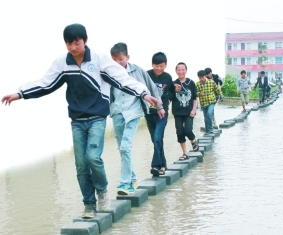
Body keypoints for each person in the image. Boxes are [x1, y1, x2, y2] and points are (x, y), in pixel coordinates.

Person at [1, 24, 161, 219]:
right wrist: (20, 93)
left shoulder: (99, 59)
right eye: (69, 44)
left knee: (93, 157)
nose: (73, 48)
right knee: (80, 164)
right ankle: (88, 204)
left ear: (84, 40)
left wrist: (144, 94)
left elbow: (122, 79)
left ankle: (102, 191)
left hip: (97, 117)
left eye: (76, 43)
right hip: (77, 119)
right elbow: (46, 83)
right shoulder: (62, 62)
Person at [109, 43, 164, 194]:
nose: (117, 63)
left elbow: (151, 87)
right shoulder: (109, 72)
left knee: (125, 146)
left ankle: (125, 184)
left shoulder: (137, 70)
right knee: (122, 148)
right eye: (114, 59)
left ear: (127, 57)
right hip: (117, 111)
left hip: (133, 110)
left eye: (120, 59)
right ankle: (133, 179)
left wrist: (160, 107)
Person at [146, 52, 175, 176]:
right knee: (156, 140)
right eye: (156, 66)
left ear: (165, 65)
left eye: (161, 66)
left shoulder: (168, 78)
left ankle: (155, 166)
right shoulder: (147, 75)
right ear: (152, 65)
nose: (159, 68)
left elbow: (172, 92)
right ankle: (163, 164)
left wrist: (167, 101)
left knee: (158, 138)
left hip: (162, 114)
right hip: (149, 113)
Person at [173, 62, 199, 160]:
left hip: (189, 112)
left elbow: (194, 97)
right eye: (179, 70)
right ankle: (185, 153)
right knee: (179, 132)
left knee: (188, 130)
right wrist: (175, 91)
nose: (181, 72)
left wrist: (194, 109)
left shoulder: (191, 83)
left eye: (183, 69)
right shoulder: (173, 83)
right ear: (176, 71)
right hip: (177, 112)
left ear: (186, 70)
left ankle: (193, 140)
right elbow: (170, 97)